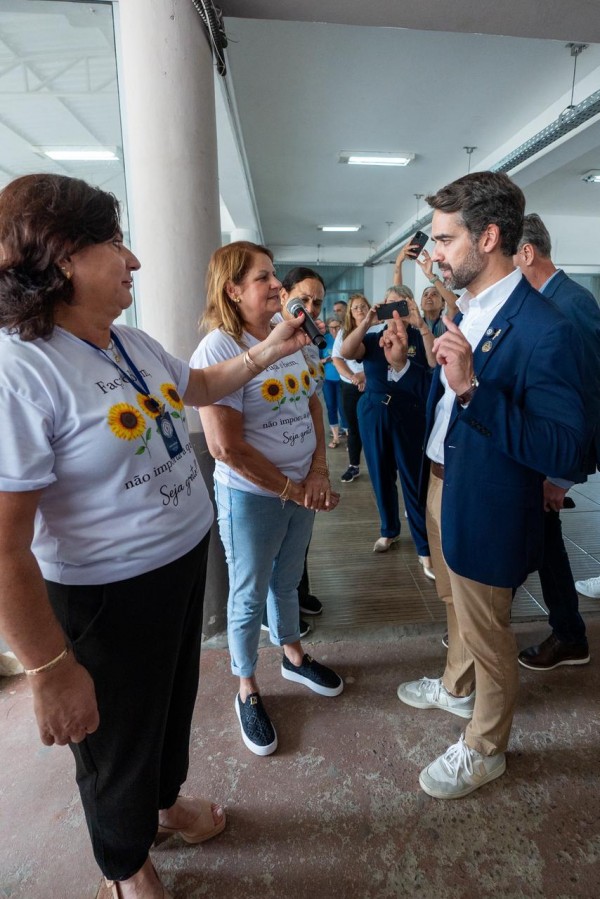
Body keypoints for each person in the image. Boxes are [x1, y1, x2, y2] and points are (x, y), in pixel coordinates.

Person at [0, 174, 314, 899]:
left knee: (169, 710)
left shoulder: (129, 342)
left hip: (176, 572)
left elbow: (201, 386)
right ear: (63, 257)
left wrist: (270, 349)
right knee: (112, 741)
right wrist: (48, 667)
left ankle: (163, 806)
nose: (132, 259)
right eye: (113, 242)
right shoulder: (23, 372)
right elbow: (5, 546)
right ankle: (126, 863)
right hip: (105, 597)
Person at [395, 171, 586, 800]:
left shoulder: (544, 328)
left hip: (487, 497)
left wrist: (476, 390)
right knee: (456, 605)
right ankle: (456, 688)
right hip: (443, 481)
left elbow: (566, 446)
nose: (436, 252)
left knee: (487, 628)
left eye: (445, 240)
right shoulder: (472, 308)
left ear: (490, 237)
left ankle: (485, 746)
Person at [190, 242, 343, 759]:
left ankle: (293, 655)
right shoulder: (217, 351)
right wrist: (291, 488)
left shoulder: (291, 338)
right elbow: (225, 447)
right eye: (263, 278)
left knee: (288, 576)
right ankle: (247, 687)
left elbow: (314, 403)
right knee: (249, 589)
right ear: (232, 290)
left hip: (302, 487)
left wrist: (318, 469)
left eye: (275, 275)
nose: (277, 286)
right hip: (253, 497)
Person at [514, 213, 600, 670]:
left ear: (527, 254)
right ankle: (568, 634)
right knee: (543, 542)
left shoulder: (568, 305)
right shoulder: (554, 301)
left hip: (554, 458)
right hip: (541, 452)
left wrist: (561, 476)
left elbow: (586, 395)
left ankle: (565, 634)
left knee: (536, 539)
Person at [341, 286, 434, 578]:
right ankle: (389, 530)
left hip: (409, 414)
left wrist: (419, 325)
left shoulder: (419, 336)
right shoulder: (371, 338)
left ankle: (424, 547)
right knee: (380, 474)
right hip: (374, 411)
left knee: (413, 478)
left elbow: (433, 366)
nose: (394, 312)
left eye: (401, 305)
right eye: (388, 306)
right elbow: (346, 351)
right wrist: (367, 321)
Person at [332, 294, 371, 483]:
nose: (360, 310)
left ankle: (377, 466)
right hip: (350, 385)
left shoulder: (378, 328)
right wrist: (353, 377)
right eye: (356, 307)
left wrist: (365, 375)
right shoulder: (344, 332)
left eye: (363, 306)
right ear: (350, 312)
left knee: (373, 428)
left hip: (374, 385)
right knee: (353, 428)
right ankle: (353, 466)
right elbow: (337, 359)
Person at [393, 239, 459, 337]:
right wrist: (398, 262)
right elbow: (397, 295)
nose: (429, 297)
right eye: (425, 295)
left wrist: (430, 275)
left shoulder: (447, 323)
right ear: (420, 304)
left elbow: (455, 305)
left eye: (434, 294)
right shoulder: (413, 323)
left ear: (443, 305)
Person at [321, 317, 347, 448]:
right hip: (328, 380)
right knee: (331, 407)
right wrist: (325, 360)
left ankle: (349, 438)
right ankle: (336, 437)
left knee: (344, 408)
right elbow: (315, 360)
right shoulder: (324, 340)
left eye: (337, 327)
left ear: (341, 326)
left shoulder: (346, 337)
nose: (334, 330)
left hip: (343, 379)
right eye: (331, 327)